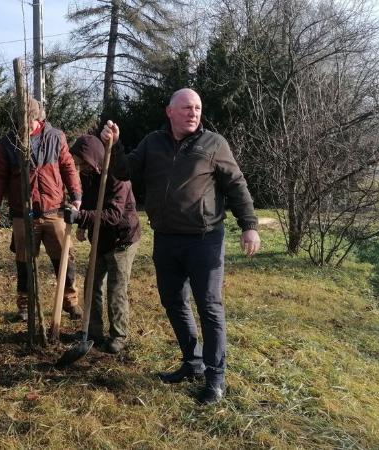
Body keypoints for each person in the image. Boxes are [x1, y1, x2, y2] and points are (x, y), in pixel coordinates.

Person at [100, 88, 261, 405]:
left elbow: (236, 184)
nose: (194, 112)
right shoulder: (152, 143)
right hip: (166, 238)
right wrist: (114, 146)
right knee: (173, 302)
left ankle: (215, 379)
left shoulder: (214, 143)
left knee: (210, 308)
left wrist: (250, 226)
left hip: (205, 240)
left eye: (198, 108)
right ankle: (192, 362)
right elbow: (124, 172)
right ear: (169, 111)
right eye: (187, 107)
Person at [0, 98, 83, 321]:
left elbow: (68, 167)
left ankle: (70, 301)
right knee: (24, 262)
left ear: (38, 117)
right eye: (22, 122)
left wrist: (76, 196)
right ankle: (24, 306)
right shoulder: (7, 144)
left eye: (30, 121)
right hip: (22, 214)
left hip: (54, 210)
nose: (26, 127)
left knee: (65, 259)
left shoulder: (56, 137)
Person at [64, 135, 141, 354]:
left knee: (116, 289)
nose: (80, 168)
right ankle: (93, 332)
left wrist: (81, 217)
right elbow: (88, 202)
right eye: (77, 163)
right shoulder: (89, 176)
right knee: (92, 285)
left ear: (94, 158)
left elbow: (113, 215)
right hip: (100, 238)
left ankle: (119, 335)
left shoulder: (117, 177)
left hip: (122, 239)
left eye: (83, 163)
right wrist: (82, 224)